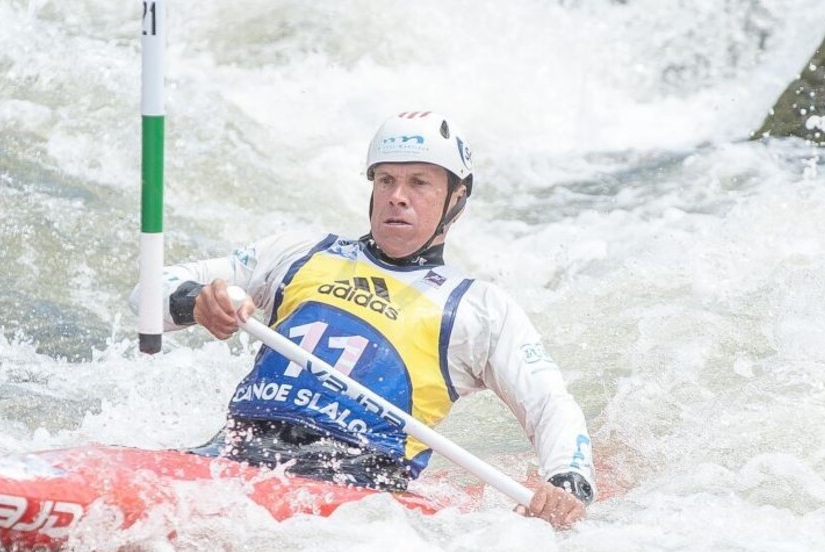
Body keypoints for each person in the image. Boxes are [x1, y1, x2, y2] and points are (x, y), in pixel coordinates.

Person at [134, 111, 595, 529]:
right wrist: (195, 302)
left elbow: (550, 405)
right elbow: (147, 292)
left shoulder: (477, 308)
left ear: (456, 199)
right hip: (234, 452)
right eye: (386, 180)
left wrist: (568, 482)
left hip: (354, 487)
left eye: (419, 183)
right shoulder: (299, 252)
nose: (397, 197)